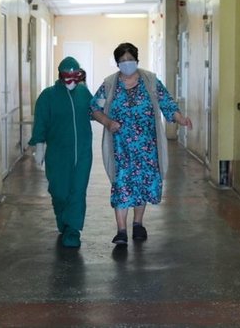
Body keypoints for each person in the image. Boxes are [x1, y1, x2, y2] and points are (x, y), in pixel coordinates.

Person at [91, 42, 192, 246]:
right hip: (120, 147)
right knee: (121, 184)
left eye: (130, 59)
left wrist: (180, 119)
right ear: (117, 63)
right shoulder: (109, 84)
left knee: (142, 183)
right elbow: (94, 108)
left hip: (147, 146)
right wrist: (108, 122)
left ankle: (138, 224)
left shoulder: (150, 81)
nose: (127, 63)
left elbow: (167, 103)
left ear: (137, 60)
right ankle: (121, 230)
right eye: (122, 60)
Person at [29, 56, 93, 248]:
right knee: (59, 191)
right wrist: (39, 145)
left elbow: (95, 112)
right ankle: (63, 218)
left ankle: (73, 229)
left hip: (83, 152)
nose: (72, 80)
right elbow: (41, 122)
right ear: (60, 75)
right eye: (67, 76)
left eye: (75, 75)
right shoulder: (48, 96)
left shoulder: (84, 93)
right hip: (57, 153)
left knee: (78, 190)